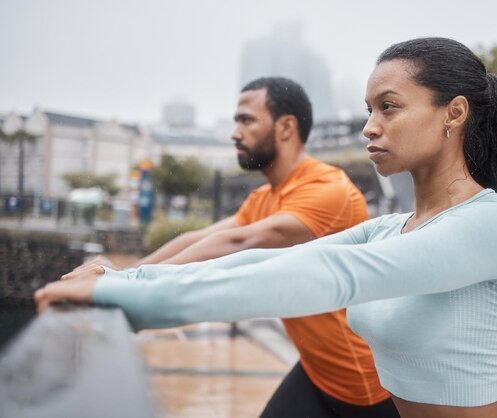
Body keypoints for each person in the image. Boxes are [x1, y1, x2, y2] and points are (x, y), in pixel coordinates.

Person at [35, 38, 497, 418]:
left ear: (454, 114)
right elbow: (261, 258)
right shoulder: (392, 227)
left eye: (389, 107)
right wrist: (122, 281)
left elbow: (333, 273)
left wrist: (126, 300)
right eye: (368, 109)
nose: (369, 126)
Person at [70, 77, 400, 418]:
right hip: (318, 370)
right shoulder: (265, 197)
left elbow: (239, 241)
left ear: (286, 126)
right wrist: (122, 275)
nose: (234, 132)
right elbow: (197, 238)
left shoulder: (328, 189)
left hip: (366, 386)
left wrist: (125, 285)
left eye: (246, 119)